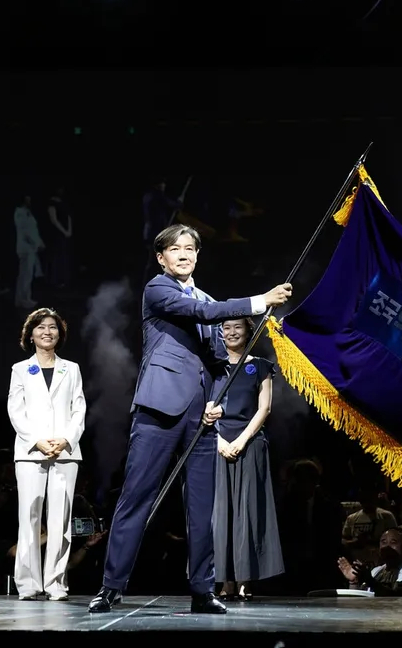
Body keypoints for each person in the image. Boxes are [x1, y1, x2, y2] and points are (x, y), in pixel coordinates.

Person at [88, 224, 292, 614]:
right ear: (161, 257)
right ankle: (111, 586)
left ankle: (203, 590)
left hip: (202, 420)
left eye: (190, 249)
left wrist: (216, 400)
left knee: (202, 508)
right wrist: (258, 300)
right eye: (175, 249)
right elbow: (201, 312)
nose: (184, 254)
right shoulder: (158, 289)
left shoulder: (207, 299)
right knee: (136, 498)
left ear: (197, 255)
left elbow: (217, 362)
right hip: (159, 409)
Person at [8, 307, 87, 601]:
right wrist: (37, 441)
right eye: (40, 327)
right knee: (29, 517)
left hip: (65, 453)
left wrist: (65, 439)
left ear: (59, 334)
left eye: (52, 327)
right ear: (30, 334)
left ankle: (56, 583)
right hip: (30, 452)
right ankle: (28, 584)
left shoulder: (72, 369)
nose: (47, 332)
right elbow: (16, 411)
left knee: (60, 521)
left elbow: (79, 409)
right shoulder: (20, 369)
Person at [211, 317, 284, 600]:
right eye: (226, 328)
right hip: (215, 444)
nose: (231, 332)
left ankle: (245, 579)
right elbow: (201, 407)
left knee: (248, 511)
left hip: (250, 444)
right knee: (219, 514)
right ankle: (224, 580)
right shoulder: (211, 366)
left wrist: (241, 441)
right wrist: (219, 441)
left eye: (237, 327)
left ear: (248, 331)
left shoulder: (261, 366)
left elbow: (264, 409)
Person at [336, 527, 402, 596]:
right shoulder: (376, 571)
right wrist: (354, 581)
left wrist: (370, 581)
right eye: (384, 542)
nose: (387, 546)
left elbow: (396, 596)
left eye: (393, 542)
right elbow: (358, 599)